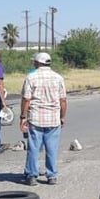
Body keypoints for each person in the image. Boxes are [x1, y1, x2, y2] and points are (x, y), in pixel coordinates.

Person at [20, 52, 66, 186]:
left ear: (38, 63)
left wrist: (23, 117)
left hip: (36, 118)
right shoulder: (58, 78)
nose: (33, 63)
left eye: (35, 61)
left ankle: (32, 175)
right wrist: (62, 116)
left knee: (34, 147)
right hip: (53, 118)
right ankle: (51, 175)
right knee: (52, 148)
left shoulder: (31, 77)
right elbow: (63, 100)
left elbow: (26, 99)